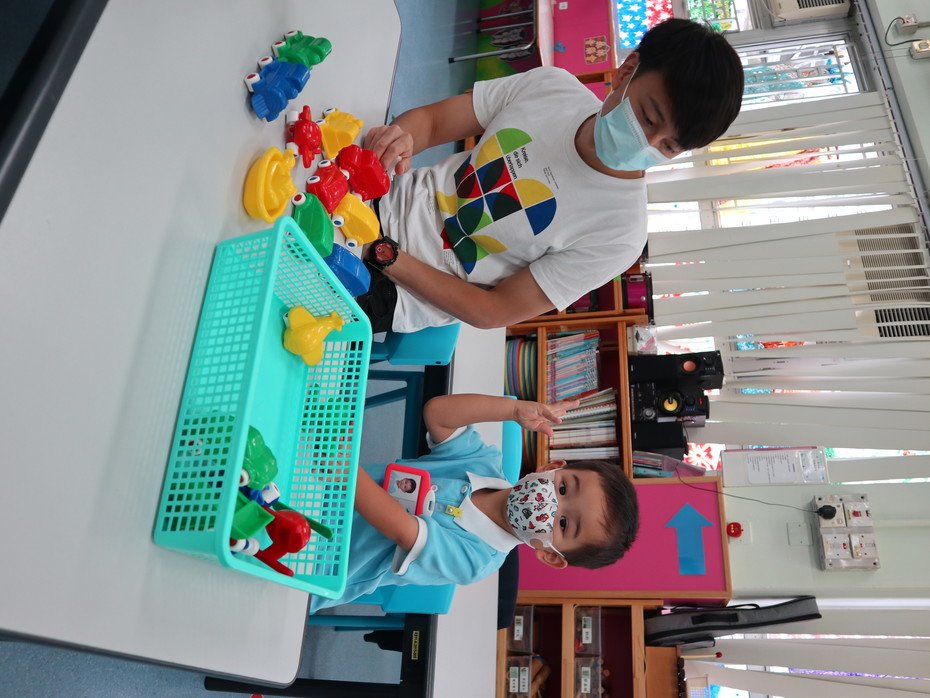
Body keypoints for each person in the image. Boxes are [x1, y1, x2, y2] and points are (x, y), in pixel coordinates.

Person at [356, 18, 744, 333]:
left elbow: (492, 311)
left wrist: (386, 254)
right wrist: (398, 140)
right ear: (627, 71)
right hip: (380, 195)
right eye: (648, 117)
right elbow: (433, 122)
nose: (648, 143)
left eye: (669, 147)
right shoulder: (550, 88)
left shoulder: (621, 233)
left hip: (398, 288)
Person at [309, 393, 639, 612]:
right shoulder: (483, 463)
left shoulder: (477, 560)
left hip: (315, 564)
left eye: (564, 524)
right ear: (551, 468)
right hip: (318, 487)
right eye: (564, 488)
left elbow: (401, 528)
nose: (550, 505)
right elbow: (438, 414)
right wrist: (512, 410)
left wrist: (345, 470)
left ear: (550, 555)